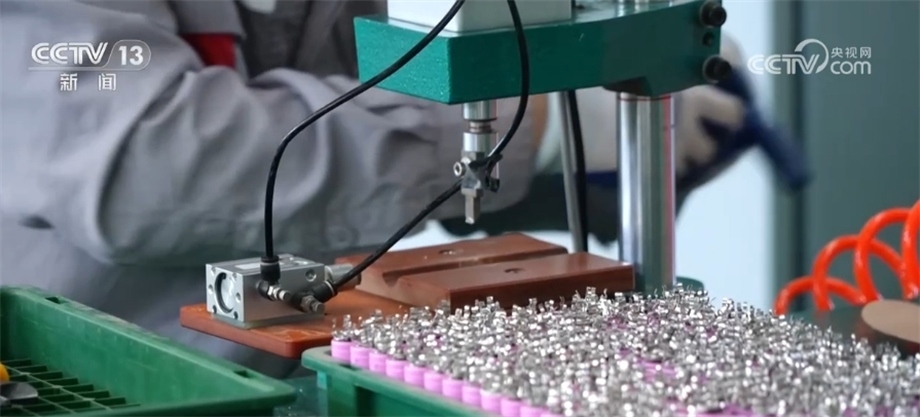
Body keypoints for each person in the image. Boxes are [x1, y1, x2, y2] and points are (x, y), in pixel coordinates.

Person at [0, 0, 759, 378]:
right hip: (92, 380)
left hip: (300, 372)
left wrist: (596, 75)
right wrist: (533, 125)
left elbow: (403, 145)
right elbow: (145, 165)